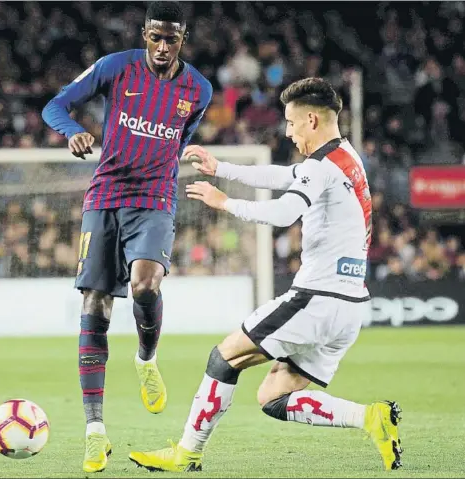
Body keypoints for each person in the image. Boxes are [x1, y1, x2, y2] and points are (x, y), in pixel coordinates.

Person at [128, 78, 403, 472]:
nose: (289, 133)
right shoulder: (346, 157)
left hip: (316, 299)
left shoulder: (322, 165)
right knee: (275, 396)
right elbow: (283, 176)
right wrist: (221, 167)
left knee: (224, 358)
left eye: (291, 123)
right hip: (349, 307)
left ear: (311, 119)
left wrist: (226, 203)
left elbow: (281, 213)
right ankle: (371, 418)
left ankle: (186, 453)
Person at [41, 1, 212, 473]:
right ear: (144, 34)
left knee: (145, 283)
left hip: (155, 198)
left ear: (183, 39)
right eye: (155, 37)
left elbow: (179, 140)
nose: (161, 46)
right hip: (104, 197)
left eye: (171, 39)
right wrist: (73, 131)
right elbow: (55, 105)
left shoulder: (198, 89)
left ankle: (145, 358)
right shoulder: (116, 68)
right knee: (95, 305)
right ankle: (95, 433)